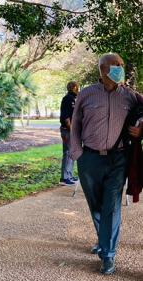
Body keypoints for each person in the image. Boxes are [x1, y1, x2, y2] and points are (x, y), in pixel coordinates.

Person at [70, 53, 143, 275]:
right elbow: (75, 124)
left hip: (118, 158)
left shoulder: (130, 96)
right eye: (116, 66)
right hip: (89, 158)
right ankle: (103, 240)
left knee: (111, 205)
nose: (121, 68)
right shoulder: (86, 94)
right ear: (103, 70)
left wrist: (142, 130)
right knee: (96, 205)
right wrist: (78, 153)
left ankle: (108, 255)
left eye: (122, 65)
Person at [59, 81, 79, 186]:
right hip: (67, 130)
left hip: (72, 130)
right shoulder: (67, 99)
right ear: (73, 87)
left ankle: (69, 175)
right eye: (77, 87)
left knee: (71, 153)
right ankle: (64, 178)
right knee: (68, 153)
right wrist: (72, 130)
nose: (78, 89)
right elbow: (66, 117)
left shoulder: (73, 99)